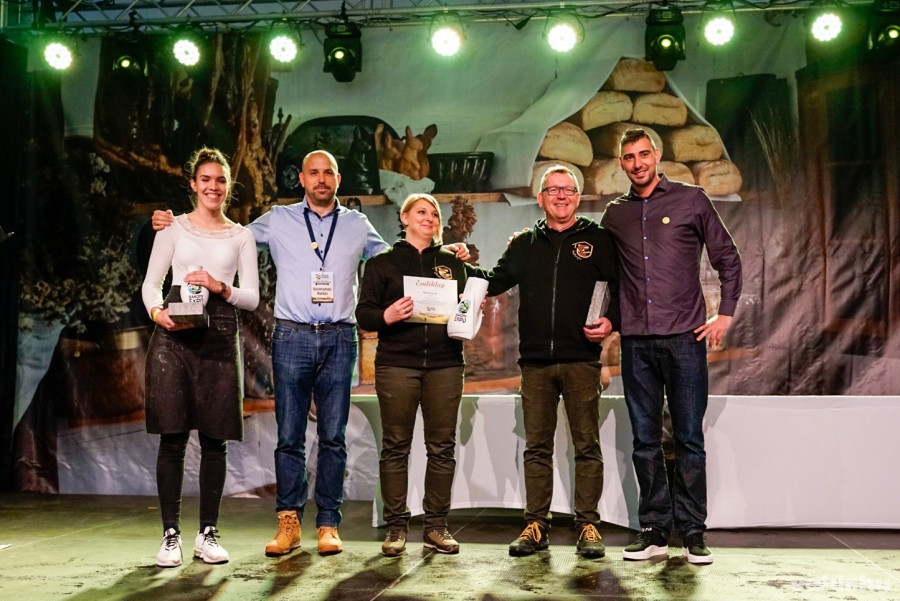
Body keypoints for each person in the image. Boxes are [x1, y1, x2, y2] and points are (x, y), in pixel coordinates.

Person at [152, 150, 468, 557]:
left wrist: (442, 252)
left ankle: (328, 524)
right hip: (292, 336)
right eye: (313, 173)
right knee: (289, 437)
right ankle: (288, 523)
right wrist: (171, 224)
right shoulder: (278, 219)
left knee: (333, 437)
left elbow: (398, 258)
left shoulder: (356, 224)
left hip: (339, 338)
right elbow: (220, 234)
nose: (321, 179)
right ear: (301, 179)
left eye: (328, 173)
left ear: (338, 179)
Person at [600, 128, 742, 565]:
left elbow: (728, 258)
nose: (638, 163)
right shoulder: (615, 214)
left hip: (684, 339)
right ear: (621, 164)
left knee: (688, 439)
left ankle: (693, 532)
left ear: (657, 155)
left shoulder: (691, 199)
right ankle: (654, 530)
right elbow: (606, 277)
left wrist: (726, 313)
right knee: (645, 440)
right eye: (629, 157)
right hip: (636, 344)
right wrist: (608, 321)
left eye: (644, 154)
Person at [487, 165, 620, 559]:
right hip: (535, 364)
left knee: (587, 446)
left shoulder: (599, 240)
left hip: (582, 361)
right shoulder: (524, 243)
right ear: (541, 198)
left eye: (568, 190)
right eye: (553, 190)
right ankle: (536, 526)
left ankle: (588, 525)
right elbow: (492, 281)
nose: (561, 196)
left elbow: (622, 290)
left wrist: (613, 323)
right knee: (537, 448)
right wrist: (455, 260)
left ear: (578, 197)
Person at [142, 147, 260, 568]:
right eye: (206, 179)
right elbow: (151, 284)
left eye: (221, 180)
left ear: (228, 187)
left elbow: (252, 297)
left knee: (215, 439)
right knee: (172, 437)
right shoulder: (172, 227)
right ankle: (170, 534)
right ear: (193, 184)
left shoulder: (241, 236)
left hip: (220, 336)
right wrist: (157, 313)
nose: (213, 187)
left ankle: (207, 533)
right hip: (174, 336)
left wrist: (218, 285)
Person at [356, 194, 491, 557]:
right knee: (395, 447)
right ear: (404, 218)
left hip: (446, 364)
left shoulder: (452, 262)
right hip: (397, 365)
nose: (429, 217)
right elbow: (363, 313)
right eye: (421, 211)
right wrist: (387, 316)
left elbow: (472, 301)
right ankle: (396, 527)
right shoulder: (382, 263)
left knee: (442, 447)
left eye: (434, 213)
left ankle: (436, 526)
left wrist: (470, 307)